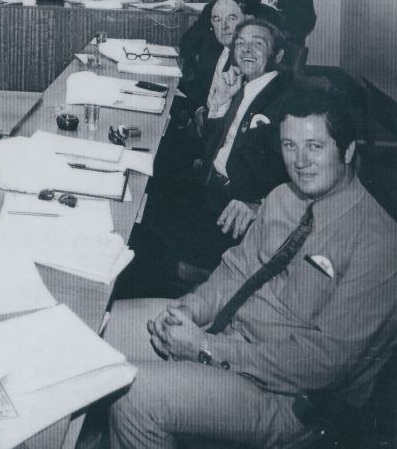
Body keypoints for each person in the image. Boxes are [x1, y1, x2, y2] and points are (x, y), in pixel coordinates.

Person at [107, 89, 397, 449]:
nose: (300, 161)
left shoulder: (378, 244)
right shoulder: (282, 198)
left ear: (346, 151)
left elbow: (322, 364)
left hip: (289, 396)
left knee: (133, 394)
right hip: (229, 336)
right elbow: (235, 272)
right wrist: (191, 309)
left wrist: (204, 348)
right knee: (100, 329)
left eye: (315, 146)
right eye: (290, 145)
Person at [121, 17, 293, 297]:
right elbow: (215, 147)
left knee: (138, 237)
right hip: (210, 190)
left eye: (258, 44)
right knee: (139, 198)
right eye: (241, 43)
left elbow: (297, 170)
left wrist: (260, 205)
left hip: (232, 210)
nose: (246, 50)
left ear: (279, 55)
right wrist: (221, 103)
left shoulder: (286, 101)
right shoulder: (247, 86)